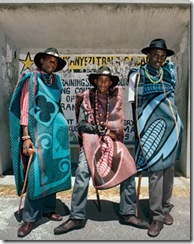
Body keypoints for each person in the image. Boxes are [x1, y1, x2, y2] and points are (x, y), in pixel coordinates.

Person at [54, 66, 149, 235]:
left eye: (107, 80)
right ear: (95, 81)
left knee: (128, 166)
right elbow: (83, 124)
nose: (104, 83)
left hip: (112, 140)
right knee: (82, 170)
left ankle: (127, 213)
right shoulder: (86, 97)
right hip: (91, 140)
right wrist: (103, 131)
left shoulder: (116, 98)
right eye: (100, 80)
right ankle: (76, 216)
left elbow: (118, 127)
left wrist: (108, 134)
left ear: (111, 82)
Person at [9, 48, 71, 237]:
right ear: (42, 60)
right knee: (37, 172)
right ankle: (29, 219)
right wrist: (26, 137)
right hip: (37, 132)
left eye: (55, 62)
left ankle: (47, 208)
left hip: (55, 133)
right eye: (49, 60)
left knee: (51, 170)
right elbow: (25, 107)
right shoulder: (30, 77)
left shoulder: (57, 81)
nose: (52, 64)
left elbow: (56, 105)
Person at [128, 39, 183, 237]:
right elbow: (134, 106)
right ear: (148, 55)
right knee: (155, 172)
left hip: (171, 127)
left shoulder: (170, 72)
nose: (159, 59)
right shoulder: (137, 75)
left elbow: (171, 98)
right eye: (155, 55)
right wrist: (138, 131)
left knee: (169, 170)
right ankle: (157, 217)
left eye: (162, 56)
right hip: (150, 127)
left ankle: (166, 207)